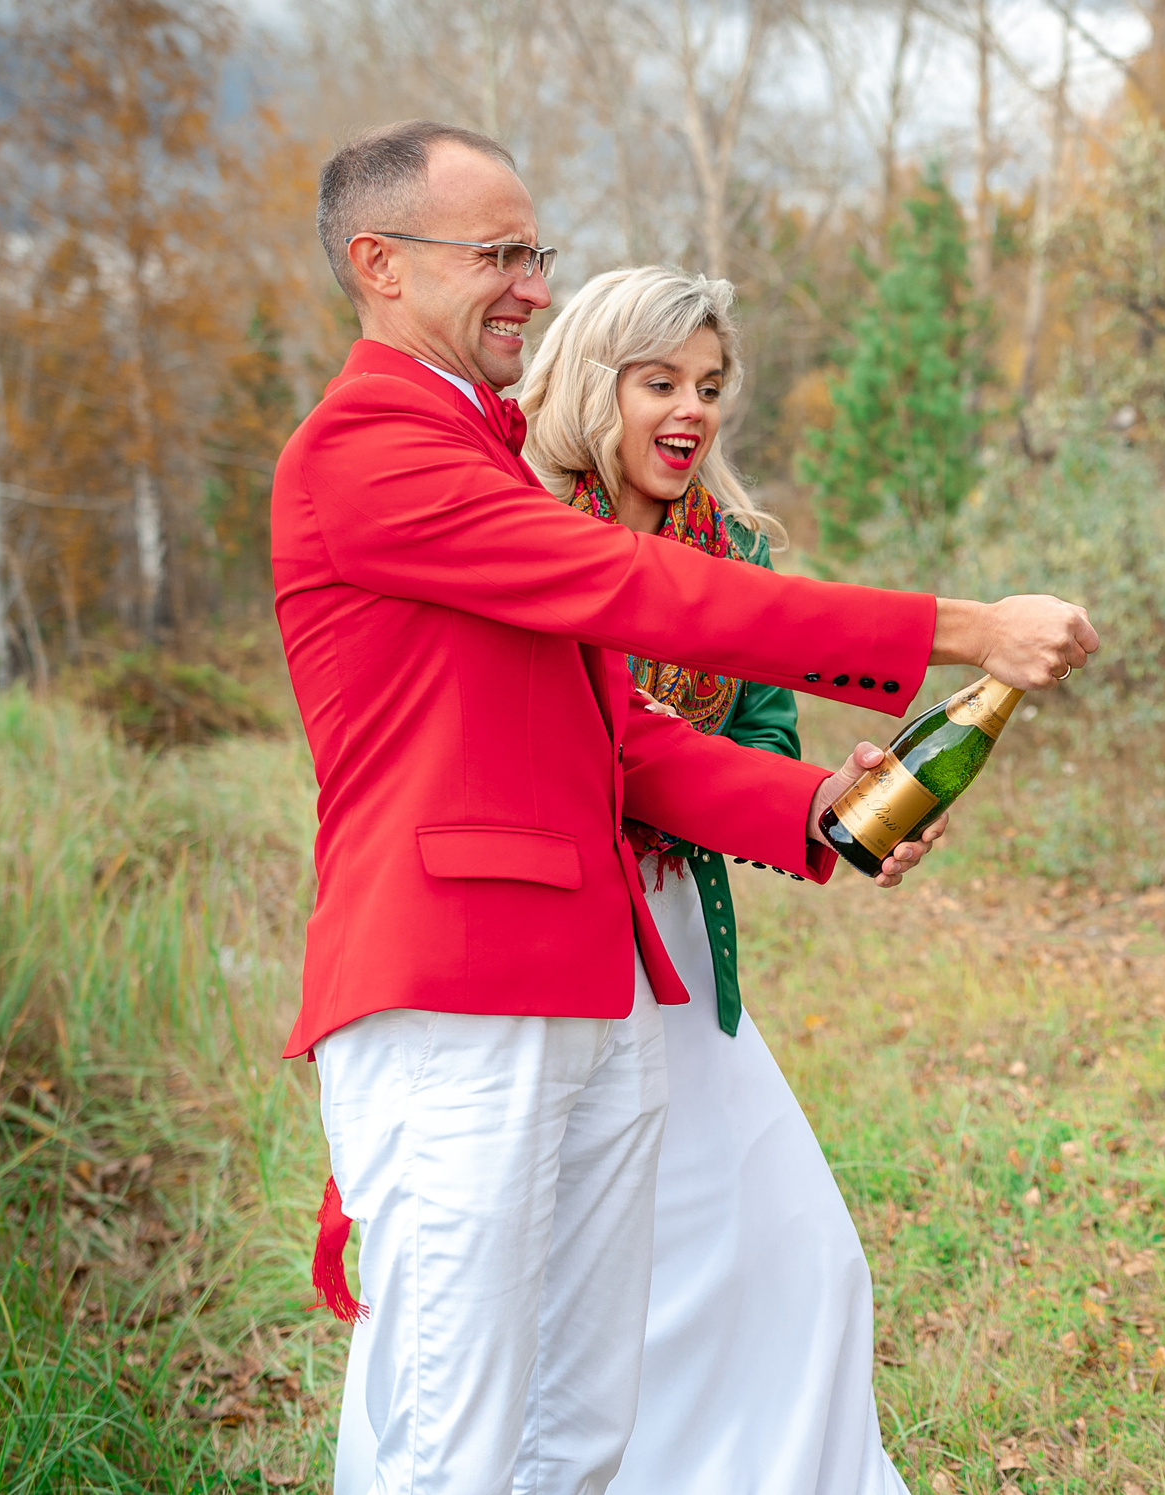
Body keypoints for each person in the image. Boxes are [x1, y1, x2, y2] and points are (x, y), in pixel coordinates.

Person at [276, 119, 1097, 1495]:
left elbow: (624, 741)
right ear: (380, 263)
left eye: (536, 252)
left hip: (592, 991)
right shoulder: (370, 449)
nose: (533, 286)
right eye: (498, 255)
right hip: (457, 987)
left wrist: (812, 803)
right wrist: (964, 627)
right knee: (450, 1427)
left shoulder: (478, 449)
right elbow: (651, 596)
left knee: (577, 1424)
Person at [511, 264, 908, 1494]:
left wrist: (836, 808)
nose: (692, 408)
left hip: (679, 947)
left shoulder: (734, 552)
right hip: (552, 938)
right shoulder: (521, 530)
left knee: (799, 1255)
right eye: (659, 381)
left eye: (711, 384)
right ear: (591, 382)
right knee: (579, 1275)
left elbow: (762, 757)